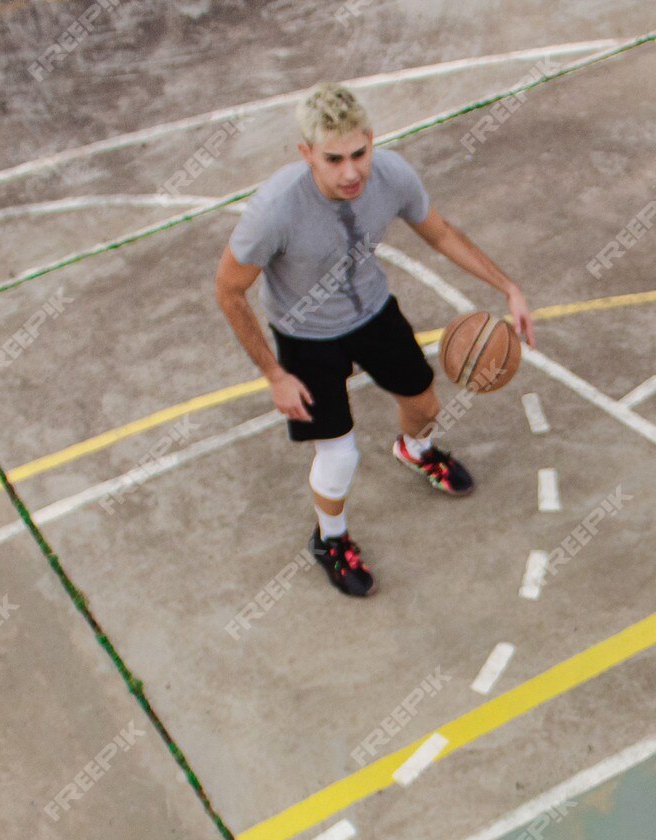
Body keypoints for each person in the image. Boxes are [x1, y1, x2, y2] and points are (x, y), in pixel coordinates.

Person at [214, 82, 535, 597]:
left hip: (371, 311)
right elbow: (229, 291)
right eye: (333, 159)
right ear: (306, 154)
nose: (351, 172)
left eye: (359, 153)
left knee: (426, 402)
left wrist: (508, 287)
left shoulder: (392, 176)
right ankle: (330, 539)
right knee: (340, 457)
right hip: (306, 334)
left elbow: (441, 233)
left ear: (371, 139)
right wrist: (276, 374)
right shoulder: (274, 210)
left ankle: (415, 448)